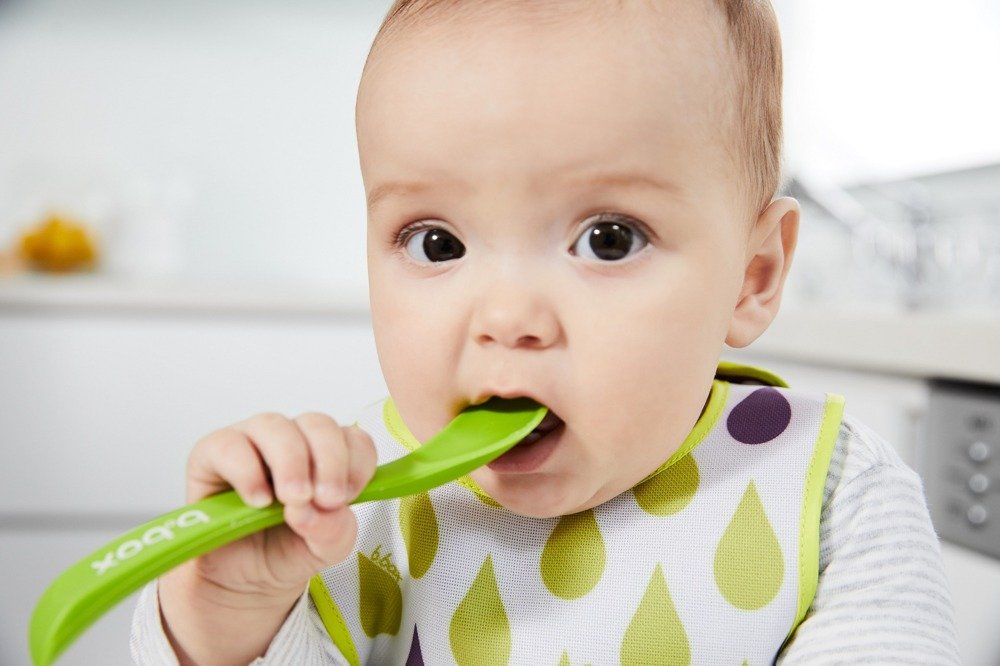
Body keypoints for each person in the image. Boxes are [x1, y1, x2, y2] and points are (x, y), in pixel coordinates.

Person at [131, 0, 959, 663]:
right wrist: (231, 619)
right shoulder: (351, 517)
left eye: (609, 239)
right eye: (438, 244)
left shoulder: (829, 492)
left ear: (753, 277)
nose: (508, 319)